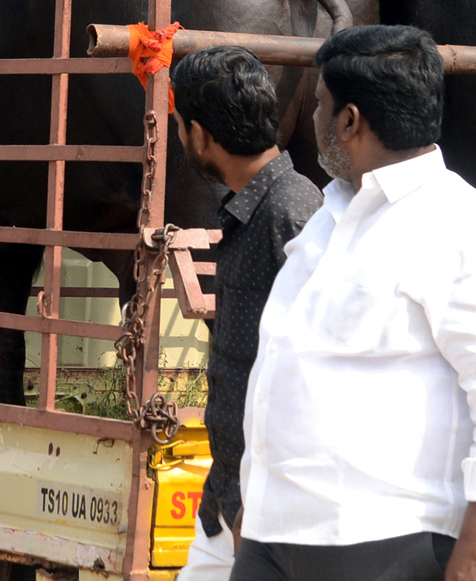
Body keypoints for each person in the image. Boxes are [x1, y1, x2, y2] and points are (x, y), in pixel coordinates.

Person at [235, 24, 476, 581]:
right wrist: (258, 501)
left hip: (384, 541)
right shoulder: (328, 220)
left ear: (349, 121)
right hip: (274, 535)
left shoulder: (466, 230)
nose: (311, 120)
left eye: (320, 106)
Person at [168, 46, 322, 581]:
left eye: (180, 126)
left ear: (200, 135)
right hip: (229, 500)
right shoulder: (263, 205)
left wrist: (261, 510)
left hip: (267, 514)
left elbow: (312, 377)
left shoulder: (290, 213)